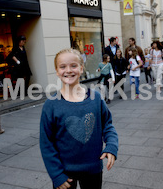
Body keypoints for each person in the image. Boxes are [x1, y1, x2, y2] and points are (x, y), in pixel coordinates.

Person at [40, 48, 118, 189]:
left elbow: (108, 125)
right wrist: (56, 174)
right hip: (64, 171)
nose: (68, 70)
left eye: (73, 66)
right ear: (57, 71)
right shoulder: (51, 105)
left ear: (81, 68)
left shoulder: (96, 98)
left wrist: (111, 146)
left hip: (93, 168)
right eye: (63, 67)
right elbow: (46, 143)